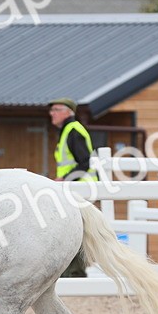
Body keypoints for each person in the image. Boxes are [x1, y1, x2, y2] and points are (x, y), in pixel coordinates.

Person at [48, 97, 93, 277]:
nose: (52, 113)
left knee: (74, 231)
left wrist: (65, 179)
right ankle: (71, 272)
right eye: (52, 110)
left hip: (79, 188)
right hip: (74, 187)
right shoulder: (68, 130)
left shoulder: (73, 130)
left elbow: (85, 162)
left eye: (56, 109)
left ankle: (75, 273)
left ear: (68, 112)